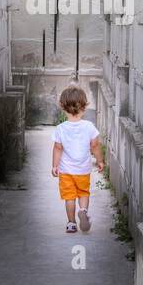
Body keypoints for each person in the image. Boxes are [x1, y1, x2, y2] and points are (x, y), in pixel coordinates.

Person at [51, 84, 104, 233]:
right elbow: (95, 146)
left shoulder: (61, 128)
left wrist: (54, 166)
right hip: (83, 169)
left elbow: (57, 148)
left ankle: (71, 223)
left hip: (66, 170)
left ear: (62, 106)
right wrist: (100, 161)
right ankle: (83, 211)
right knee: (83, 193)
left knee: (69, 197)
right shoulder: (89, 127)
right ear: (84, 107)